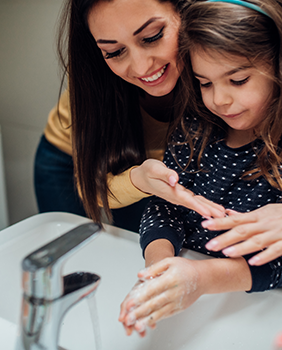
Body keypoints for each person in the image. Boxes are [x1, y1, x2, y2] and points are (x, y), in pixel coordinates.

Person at [119, 0, 282, 336]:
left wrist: (201, 278)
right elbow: (166, 208)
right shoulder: (196, 125)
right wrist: (160, 267)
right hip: (192, 301)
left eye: (237, 80)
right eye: (205, 83)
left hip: (256, 313)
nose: (218, 99)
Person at [33, 0, 225, 233]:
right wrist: (138, 181)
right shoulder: (97, 77)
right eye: (114, 52)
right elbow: (93, 186)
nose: (142, 67)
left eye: (152, 37)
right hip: (75, 161)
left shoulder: (225, 57)